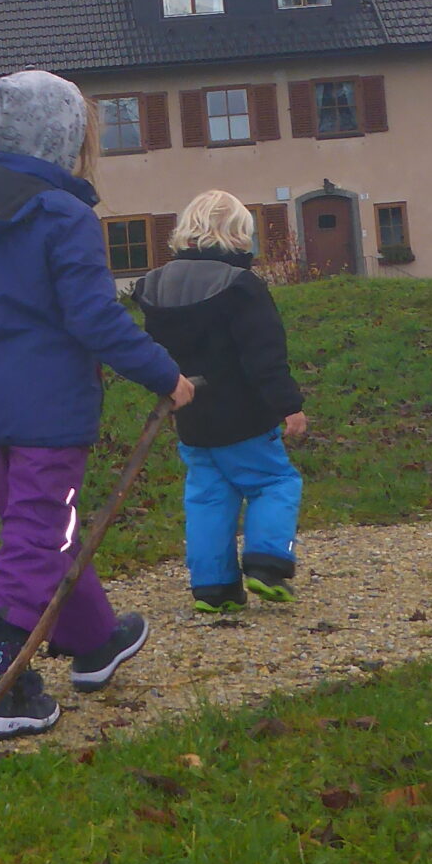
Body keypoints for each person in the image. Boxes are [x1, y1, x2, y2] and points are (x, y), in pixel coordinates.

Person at [0, 69, 194, 738]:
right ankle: (2, 683)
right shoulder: (64, 216)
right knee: (39, 536)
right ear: (65, 139)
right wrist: (165, 375)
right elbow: (95, 317)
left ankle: (95, 640)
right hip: (51, 415)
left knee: (43, 530)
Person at [133, 189, 307, 614]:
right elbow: (264, 355)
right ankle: (267, 564)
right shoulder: (240, 286)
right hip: (245, 415)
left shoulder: (155, 286)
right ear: (239, 235)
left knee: (208, 497)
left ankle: (214, 587)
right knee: (274, 482)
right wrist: (289, 405)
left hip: (191, 416)